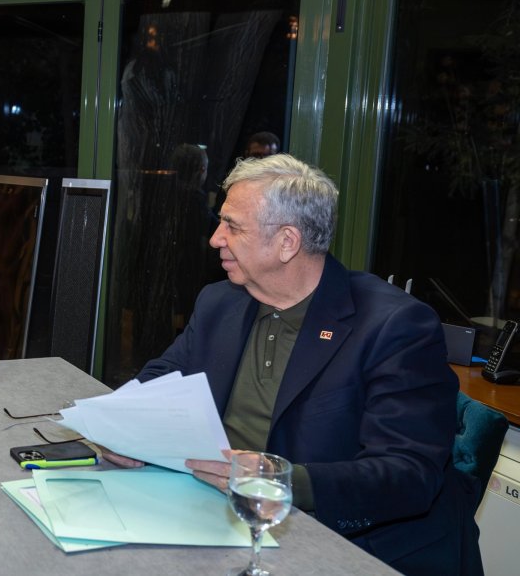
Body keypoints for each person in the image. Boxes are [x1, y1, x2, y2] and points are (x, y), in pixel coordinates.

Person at [104, 153, 480, 575]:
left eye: (232, 226)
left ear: (287, 242)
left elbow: (408, 475)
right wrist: (124, 428)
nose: (214, 239)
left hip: (345, 544)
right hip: (214, 517)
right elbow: (161, 376)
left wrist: (276, 481)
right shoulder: (220, 302)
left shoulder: (394, 326)